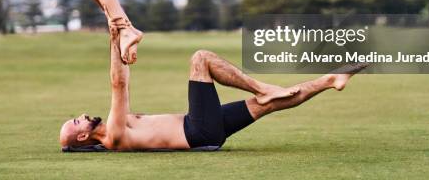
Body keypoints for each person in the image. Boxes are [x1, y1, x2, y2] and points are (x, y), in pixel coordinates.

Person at [59, 18, 367, 150]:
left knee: (269, 104)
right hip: (197, 131)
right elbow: (119, 85)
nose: (82, 114)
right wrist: (114, 40)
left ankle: (331, 80)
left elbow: (120, 83)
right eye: (76, 121)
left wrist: (119, 42)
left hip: (202, 129)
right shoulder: (113, 135)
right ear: (84, 134)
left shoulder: (114, 133)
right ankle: (261, 86)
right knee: (201, 58)